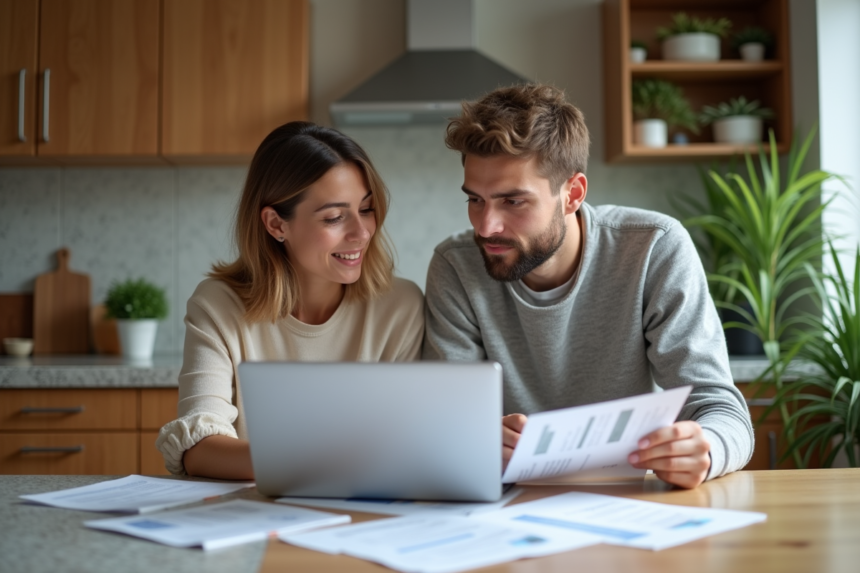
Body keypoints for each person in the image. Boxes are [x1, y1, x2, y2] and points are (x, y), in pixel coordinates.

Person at [423, 84, 753, 489]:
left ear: (572, 194)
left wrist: (708, 448)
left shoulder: (653, 248)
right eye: (475, 200)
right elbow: (447, 424)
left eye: (513, 201)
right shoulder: (456, 267)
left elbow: (721, 409)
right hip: (509, 513)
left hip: (628, 505)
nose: (486, 226)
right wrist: (474, 441)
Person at [157, 122, 424, 479]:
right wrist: (315, 463)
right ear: (275, 224)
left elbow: (409, 443)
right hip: (254, 520)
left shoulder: (400, 307)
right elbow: (198, 447)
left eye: (366, 209)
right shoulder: (218, 306)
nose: (361, 232)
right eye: (334, 217)